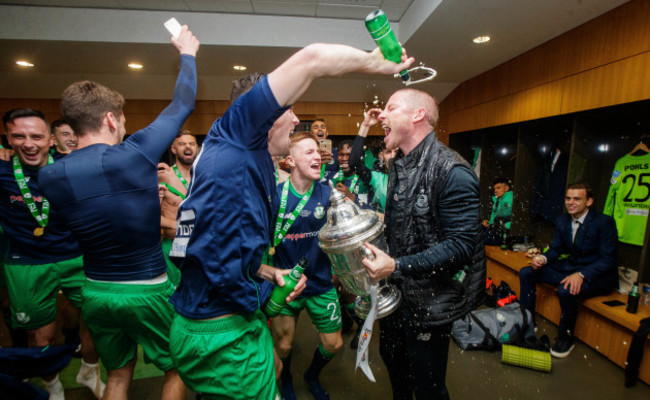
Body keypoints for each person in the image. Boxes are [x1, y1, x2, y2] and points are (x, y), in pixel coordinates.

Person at [168, 43, 414, 399]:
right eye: (288, 110)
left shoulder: (248, 160)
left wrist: (268, 272)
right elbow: (312, 58)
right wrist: (375, 62)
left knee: (278, 366)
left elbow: (224, 241)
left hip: (217, 318)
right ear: (260, 115)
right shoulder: (236, 136)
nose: (297, 120)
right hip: (222, 329)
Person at [38, 26, 199, 399]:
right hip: (145, 289)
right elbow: (183, 102)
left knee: (117, 375)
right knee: (177, 368)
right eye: (123, 120)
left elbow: (90, 212)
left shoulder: (48, 177)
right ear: (111, 119)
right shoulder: (134, 153)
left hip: (95, 290)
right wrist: (187, 53)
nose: (125, 126)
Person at [360, 88, 485, 400]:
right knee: (399, 378)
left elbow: (461, 247)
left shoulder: (451, 170)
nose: (381, 115)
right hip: (398, 300)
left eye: (391, 107)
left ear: (418, 115)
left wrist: (396, 265)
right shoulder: (401, 165)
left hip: (429, 308)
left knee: (428, 389)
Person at [1, 108, 104, 400]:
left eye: (37, 136)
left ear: (50, 139)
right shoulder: (3, 170)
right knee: (40, 337)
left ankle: (89, 369)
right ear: (8, 139)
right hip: (26, 263)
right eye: (19, 136)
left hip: (75, 257)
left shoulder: (70, 167)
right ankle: (52, 384)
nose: (28, 143)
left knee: (98, 319)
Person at [270, 131, 343, 400]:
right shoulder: (275, 196)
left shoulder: (329, 193)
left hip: (320, 283)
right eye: (309, 152)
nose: (318, 156)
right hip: (285, 284)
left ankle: (312, 374)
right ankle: (286, 375)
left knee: (333, 344)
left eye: (318, 151)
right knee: (284, 346)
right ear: (290, 160)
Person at [519, 182, 618, 358]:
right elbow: (556, 249)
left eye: (577, 199)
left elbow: (608, 260)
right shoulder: (563, 220)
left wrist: (582, 275)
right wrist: (543, 258)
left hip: (596, 275)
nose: (571, 202)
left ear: (589, 202)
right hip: (571, 267)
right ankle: (527, 320)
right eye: (568, 198)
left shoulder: (604, 222)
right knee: (526, 272)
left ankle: (566, 337)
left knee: (566, 289)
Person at [158, 130, 199, 287]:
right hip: (174, 245)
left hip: (199, 245)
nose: (187, 147)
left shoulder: (204, 177)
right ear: (173, 149)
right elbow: (151, 217)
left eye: (191, 144)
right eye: (182, 144)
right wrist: (181, 227)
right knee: (173, 295)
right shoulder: (163, 176)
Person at [349, 108, 396, 213]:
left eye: (397, 151)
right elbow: (354, 162)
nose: (393, 156)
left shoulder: (412, 175)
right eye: (388, 152)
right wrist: (365, 126)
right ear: (381, 156)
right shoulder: (377, 178)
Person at [482, 177, 513, 245]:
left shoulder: (510, 199)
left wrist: (506, 226)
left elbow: (507, 218)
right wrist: (488, 223)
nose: (495, 191)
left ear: (506, 188)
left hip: (504, 233)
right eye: (495, 189)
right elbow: (495, 218)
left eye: (498, 188)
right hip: (496, 231)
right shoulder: (497, 200)